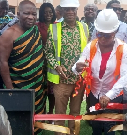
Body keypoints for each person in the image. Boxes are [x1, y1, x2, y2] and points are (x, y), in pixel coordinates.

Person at [72, 9, 127, 135]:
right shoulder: (91, 46)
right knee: (96, 125)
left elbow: (126, 76)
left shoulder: (123, 49)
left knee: (109, 127)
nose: (103, 39)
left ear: (115, 33)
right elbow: (79, 63)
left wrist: (109, 95)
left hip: (114, 95)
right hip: (94, 94)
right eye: (100, 34)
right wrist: (77, 67)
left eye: (107, 35)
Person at [0, 1, 45, 134]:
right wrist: (10, 90)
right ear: (18, 14)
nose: (31, 17)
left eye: (33, 14)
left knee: (36, 114)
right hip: (19, 86)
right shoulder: (9, 34)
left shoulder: (35, 29)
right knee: (21, 118)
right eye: (26, 13)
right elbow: (3, 62)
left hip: (37, 84)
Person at [43, 0, 88, 134]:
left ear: (76, 10)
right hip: (61, 79)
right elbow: (48, 51)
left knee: (75, 113)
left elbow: (88, 51)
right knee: (60, 113)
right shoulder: (54, 28)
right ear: (61, 11)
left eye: (72, 9)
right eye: (67, 9)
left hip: (78, 79)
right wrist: (57, 66)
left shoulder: (84, 27)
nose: (70, 12)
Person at [35, 2, 56, 123]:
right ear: (41, 14)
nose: (48, 14)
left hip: (53, 64)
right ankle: (41, 113)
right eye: (45, 12)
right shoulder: (37, 26)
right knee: (42, 90)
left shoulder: (57, 26)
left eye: (50, 12)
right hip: (40, 63)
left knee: (52, 92)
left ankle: (51, 113)